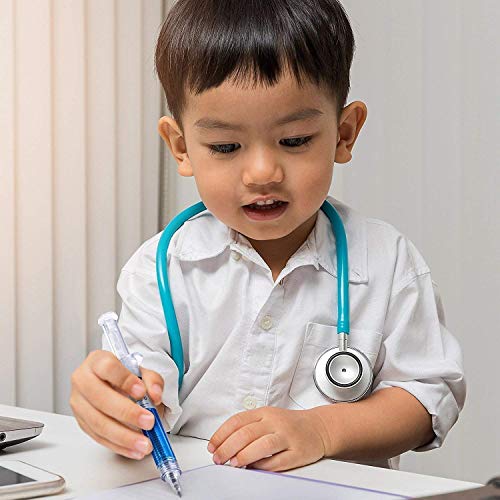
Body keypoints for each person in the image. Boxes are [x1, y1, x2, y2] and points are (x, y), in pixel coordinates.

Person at [70, 0, 465, 471]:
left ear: (344, 133)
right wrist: (118, 401)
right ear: (182, 147)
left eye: (294, 140)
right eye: (225, 147)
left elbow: (428, 399)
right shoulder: (161, 268)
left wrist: (322, 429)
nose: (262, 172)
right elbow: (145, 379)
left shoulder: (385, 261)